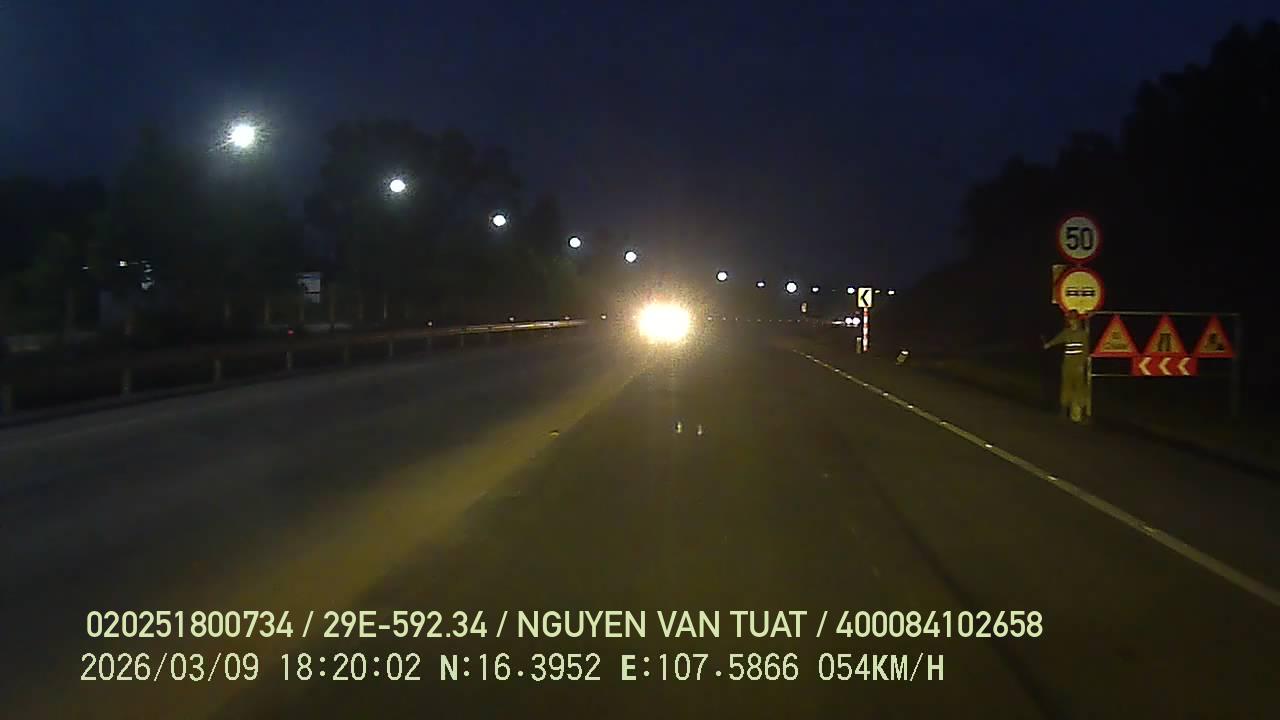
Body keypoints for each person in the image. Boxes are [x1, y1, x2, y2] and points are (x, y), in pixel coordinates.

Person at [1043, 311, 1090, 422]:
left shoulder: (1082, 334)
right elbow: (1058, 339)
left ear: (1077, 320)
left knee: (1079, 388)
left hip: (1078, 364)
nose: (1071, 321)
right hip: (1067, 364)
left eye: (1073, 319)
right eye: (1070, 319)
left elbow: (1085, 350)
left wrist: (1081, 364)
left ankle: (1080, 412)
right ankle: (1064, 410)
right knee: (1066, 387)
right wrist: (1049, 344)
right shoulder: (1067, 332)